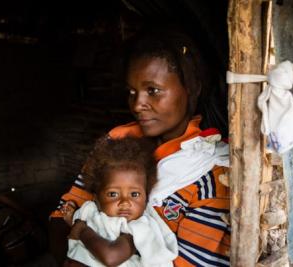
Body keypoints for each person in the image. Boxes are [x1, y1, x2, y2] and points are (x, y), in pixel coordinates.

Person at [49, 27, 231, 267]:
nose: (137, 104)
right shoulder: (115, 145)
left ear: (192, 88)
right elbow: (63, 213)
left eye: (152, 90)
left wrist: (83, 234)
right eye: (132, 92)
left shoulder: (211, 175)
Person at [63, 136, 178, 266]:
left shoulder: (137, 228)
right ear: (97, 198)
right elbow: (82, 223)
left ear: (146, 198)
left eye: (134, 194)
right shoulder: (92, 210)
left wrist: (82, 230)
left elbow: (111, 258)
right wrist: (74, 219)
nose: (125, 202)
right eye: (113, 194)